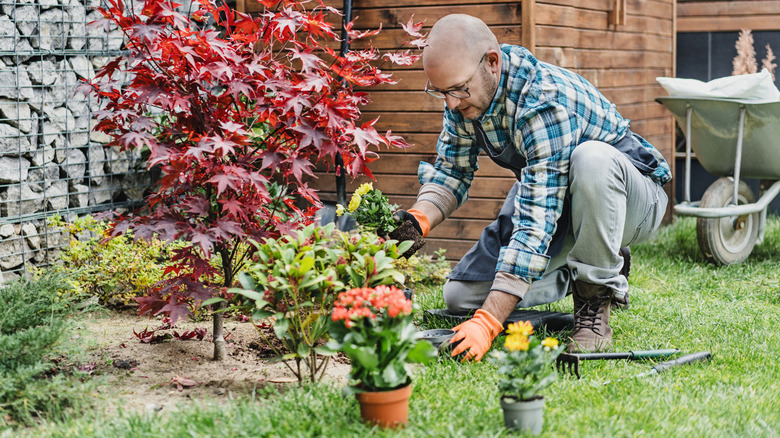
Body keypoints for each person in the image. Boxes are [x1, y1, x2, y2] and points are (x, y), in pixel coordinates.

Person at [393, 14, 671, 361]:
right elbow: (452, 170)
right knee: (460, 296)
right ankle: (589, 261)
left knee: (591, 160)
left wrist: (489, 322)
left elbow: (536, 223)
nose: (450, 103)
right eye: (441, 92)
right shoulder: (464, 99)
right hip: (555, 196)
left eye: (458, 89)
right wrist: (418, 219)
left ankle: (595, 296)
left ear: (492, 63)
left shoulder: (541, 100)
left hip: (633, 199)